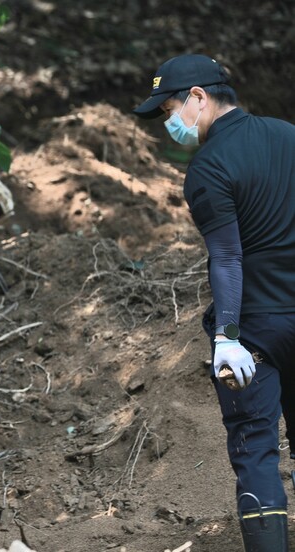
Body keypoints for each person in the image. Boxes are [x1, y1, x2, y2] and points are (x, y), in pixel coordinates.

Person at [133, 53, 295, 551]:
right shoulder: (288, 135)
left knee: (256, 450)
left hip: (256, 330)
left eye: (168, 110)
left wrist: (226, 337)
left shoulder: (207, 167)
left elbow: (227, 257)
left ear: (199, 98)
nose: (169, 123)